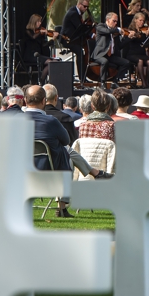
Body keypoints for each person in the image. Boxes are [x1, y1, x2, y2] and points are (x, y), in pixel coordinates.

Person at [23, 85, 110, 216]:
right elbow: (65, 140)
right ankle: (62, 207)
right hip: (48, 170)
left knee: (66, 151)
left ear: (25, 100)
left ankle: (94, 172)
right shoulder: (50, 121)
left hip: (22, 169)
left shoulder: (15, 121)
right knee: (67, 152)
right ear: (43, 101)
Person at [90, 12, 133, 84]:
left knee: (127, 63)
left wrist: (129, 38)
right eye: (114, 21)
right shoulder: (101, 26)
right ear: (107, 20)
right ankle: (103, 83)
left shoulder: (114, 32)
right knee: (104, 61)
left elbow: (119, 46)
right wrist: (118, 30)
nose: (116, 23)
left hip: (110, 56)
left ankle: (115, 81)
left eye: (116, 21)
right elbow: (107, 31)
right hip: (99, 55)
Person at [60, 0, 94, 80]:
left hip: (74, 39)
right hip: (67, 39)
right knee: (80, 52)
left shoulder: (77, 12)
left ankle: (83, 76)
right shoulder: (73, 13)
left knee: (82, 51)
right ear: (79, 5)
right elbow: (80, 28)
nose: (86, 9)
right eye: (85, 6)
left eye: (87, 7)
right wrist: (92, 35)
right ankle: (82, 78)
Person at [124, 11, 149, 88]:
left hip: (141, 53)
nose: (142, 22)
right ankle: (143, 82)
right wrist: (141, 34)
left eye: (143, 21)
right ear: (135, 20)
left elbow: (145, 42)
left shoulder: (143, 30)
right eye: (140, 20)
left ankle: (147, 81)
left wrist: (147, 35)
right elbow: (136, 38)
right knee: (140, 61)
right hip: (132, 53)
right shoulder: (131, 30)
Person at [24, 13, 52, 80]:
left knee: (54, 62)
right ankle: (41, 82)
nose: (40, 23)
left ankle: (42, 80)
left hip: (38, 55)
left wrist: (52, 39)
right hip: (31, 55)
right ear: (34, 22)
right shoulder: (28, 31)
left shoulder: (39, 34)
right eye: (38, 21)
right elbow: (33, 37)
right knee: (50, 62)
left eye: (40, 21)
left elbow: (44, 45)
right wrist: (40, 32)